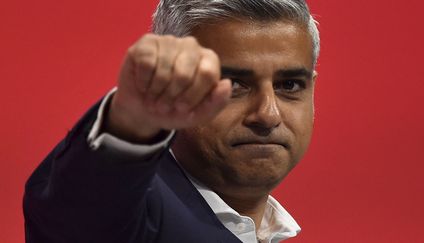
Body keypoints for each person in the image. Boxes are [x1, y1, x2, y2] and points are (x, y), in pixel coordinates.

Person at [23, 0, 320, 242]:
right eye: (233, 84)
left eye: (289, 85)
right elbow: (78, 215)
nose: (268, 115)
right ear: (174, 79)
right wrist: (131, 123)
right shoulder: (131, 217)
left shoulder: (268, 229)